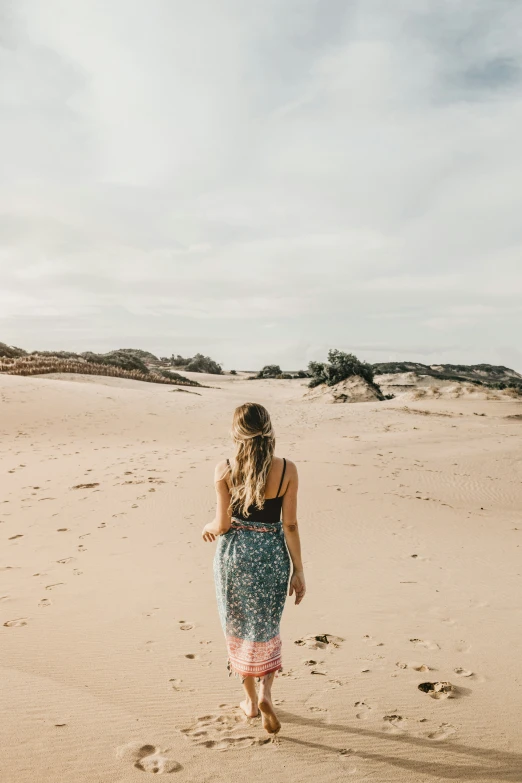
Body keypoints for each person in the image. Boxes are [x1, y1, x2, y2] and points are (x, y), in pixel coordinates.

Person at [202, 402, 305, 735]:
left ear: (236, 433)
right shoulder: (288, 469)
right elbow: (289, 525)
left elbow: (222, 523)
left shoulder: (224, 469)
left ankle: (248, 701)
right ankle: (266, 692)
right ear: (269, 428)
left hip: (234, 558)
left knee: (238, 628)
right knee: (266, 629)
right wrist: (298, 570)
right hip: (272, 558)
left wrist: (208, 527)